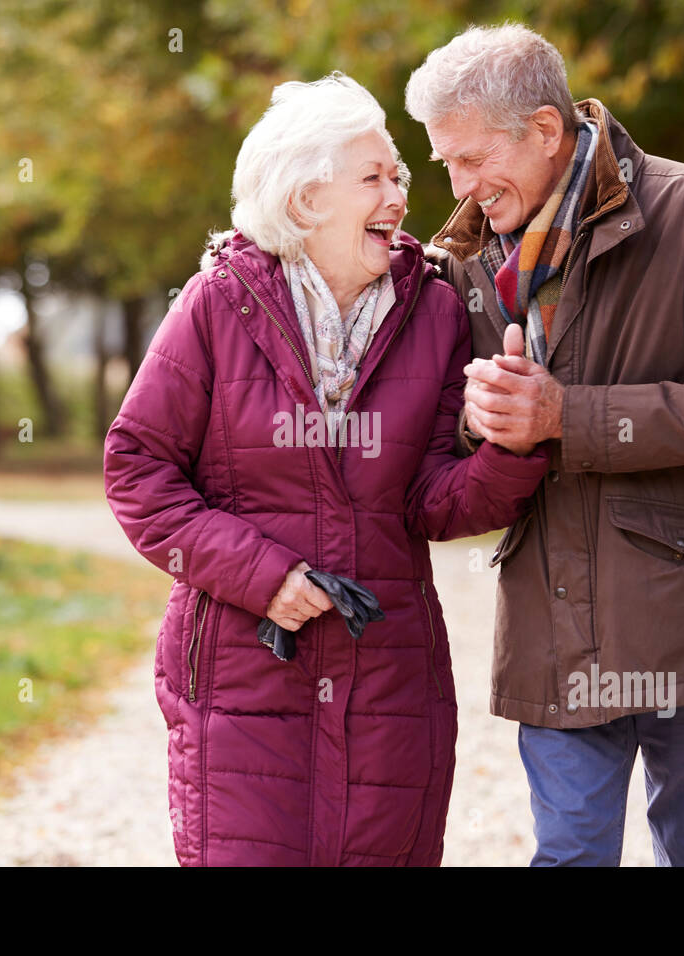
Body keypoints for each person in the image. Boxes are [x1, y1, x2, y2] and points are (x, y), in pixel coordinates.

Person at [104, 73, 551, 866]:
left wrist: (512, 451)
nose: (400, 197)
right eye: (374, 177)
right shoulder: (216, 303)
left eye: (400, 176)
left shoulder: (437, 310)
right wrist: (262, 576)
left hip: (389, 671)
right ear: (306, 201)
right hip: (247, 669)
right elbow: (137, 468)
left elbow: (429, 504)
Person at [406, 23, 684, 866]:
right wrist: (482, 421)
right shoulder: (468, 258)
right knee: (569, 854)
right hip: (554, 620)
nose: (462, 187)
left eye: (473, 159)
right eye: (447, 164)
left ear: (545, 132)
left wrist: (564, 416)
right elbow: (446, 427)